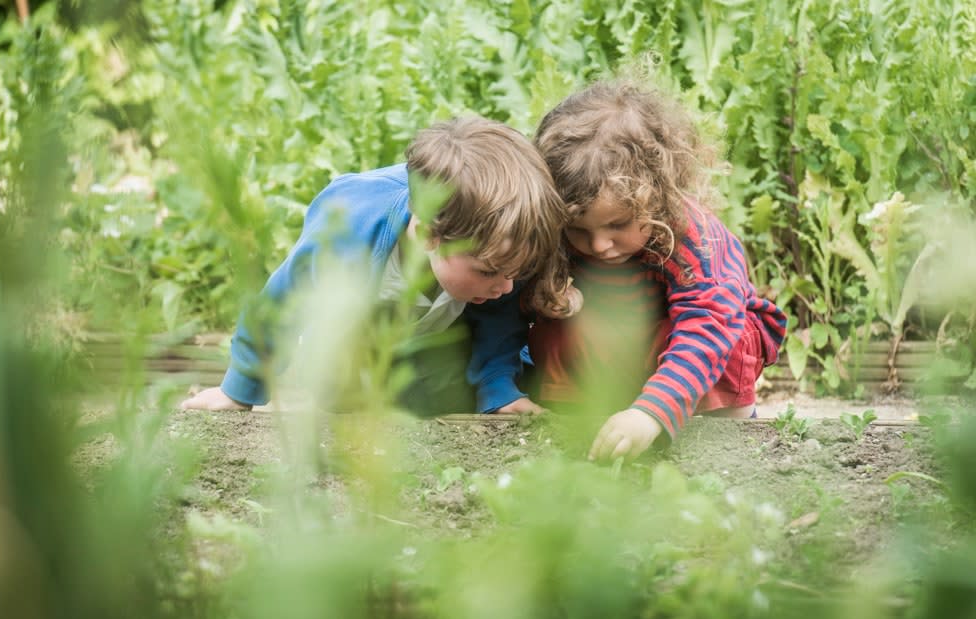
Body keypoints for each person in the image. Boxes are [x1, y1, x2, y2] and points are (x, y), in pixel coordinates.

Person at [181, 116, 571, 416]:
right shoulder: (350, 231)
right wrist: (239, 389)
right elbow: (281, 302)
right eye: (489, 273)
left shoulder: (500, 245)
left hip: (432, 337)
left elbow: (502, 321)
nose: (505, 286)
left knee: (439, 398)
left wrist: (499, 391)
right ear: (427, 237)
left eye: (515, 274)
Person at [526, 80, 788, 462]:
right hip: (622, 345)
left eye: (618, 225)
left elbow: (709, 323)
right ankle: (583, 427)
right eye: (578, 231)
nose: (598, 245)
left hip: (698, 347)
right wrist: (544, 296)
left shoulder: (692, 236)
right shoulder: (558, 230)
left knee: (731, 340)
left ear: (658, 194)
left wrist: (653, 411)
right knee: (555, 332)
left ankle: (732, 436)